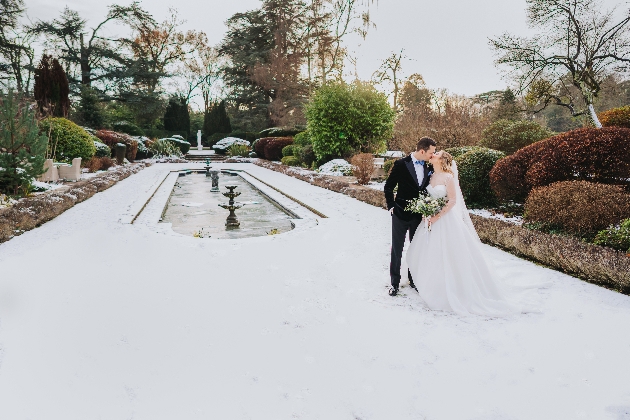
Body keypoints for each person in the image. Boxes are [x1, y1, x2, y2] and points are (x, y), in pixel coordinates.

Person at [406, 151, 537, 316]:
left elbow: (452, 201)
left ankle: (451, 290)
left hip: (445, 221)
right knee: (430, 254)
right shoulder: (430, 175)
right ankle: (431, 284)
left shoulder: (448, 177)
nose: (433, 154)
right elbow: (426, 197)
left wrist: (437, 216)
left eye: (437, 153)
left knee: (449, 255)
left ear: (443, 159)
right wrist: (426, 212)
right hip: (430, 221)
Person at [384, 137, 436, 296]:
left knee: (416, 249)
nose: (432, 155)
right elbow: (388, 187)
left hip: (418, 217)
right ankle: (394, 283)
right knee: (397, 249)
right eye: (431, 152)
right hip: (399, 213)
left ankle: (414, 280)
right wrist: (391, 206)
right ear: (422, 151)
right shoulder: (401, 164)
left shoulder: (429, 167)